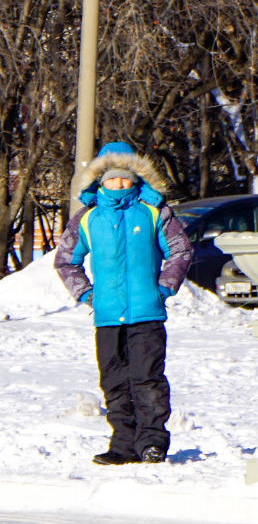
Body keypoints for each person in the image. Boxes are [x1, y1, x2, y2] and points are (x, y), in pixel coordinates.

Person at [54, 142, 192, 465]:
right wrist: (87, 294)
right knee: (114, 382)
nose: (118, 185)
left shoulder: (155, 211)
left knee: (148, 379)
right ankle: (123, 444)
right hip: (106, 318)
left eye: (124, 179)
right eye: (111, 179)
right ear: (100, 180)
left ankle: (151, 443)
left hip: (147, 315)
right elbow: (65, 261)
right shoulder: (87, 219)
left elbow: (180, 251)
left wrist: (163, 289)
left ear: (134, 178)